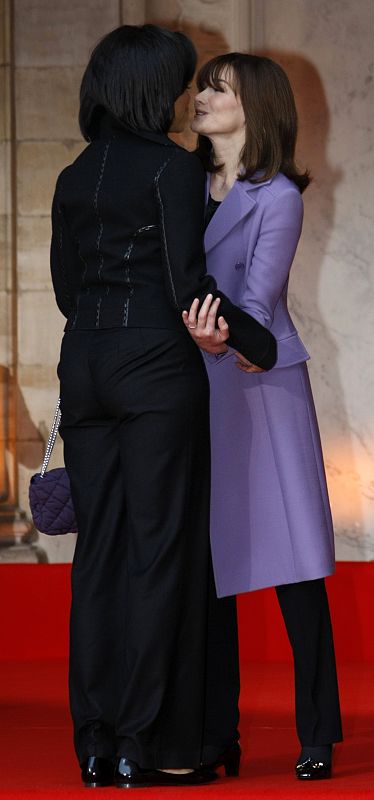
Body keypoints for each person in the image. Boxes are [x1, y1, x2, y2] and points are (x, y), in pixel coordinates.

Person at [50, 28, 277, 789]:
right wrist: (260, 342)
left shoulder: (73, 175)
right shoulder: (172, 170)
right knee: (156, 555)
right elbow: (188, 285)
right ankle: (139, 742)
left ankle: (94, 737)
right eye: (182, 84)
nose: (187, 97)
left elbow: (64, 292)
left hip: (84, 370)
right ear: (155, 89)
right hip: (154, 375)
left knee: (99, 555)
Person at [184, 52, 343, 781]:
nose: (202, 97)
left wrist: (218, 335)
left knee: (295, 570)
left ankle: (317, 731)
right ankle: (218, 732)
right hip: (194, 386)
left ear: (256, 104)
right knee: (205, 568)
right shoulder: (180, 182)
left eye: (217, 87)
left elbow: (256, 301)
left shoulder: (277, 195)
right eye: (202, 86)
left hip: (261, 385)